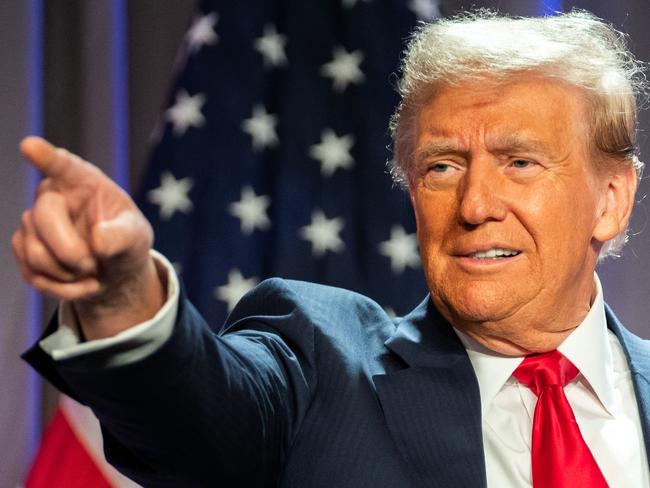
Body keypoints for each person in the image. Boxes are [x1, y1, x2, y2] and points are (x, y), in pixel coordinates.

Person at [14, 10, 650, 488]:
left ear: (611, 200)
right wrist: (126, 298)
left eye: (520, 162)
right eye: (442, 167)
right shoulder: (319, 369)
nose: (475, 204)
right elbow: (199, 421)